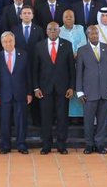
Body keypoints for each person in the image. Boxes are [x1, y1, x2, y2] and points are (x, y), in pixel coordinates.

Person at [32, 22, 75, 154]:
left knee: (62, 118)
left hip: (63, 89)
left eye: (55, 29)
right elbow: (35, 69)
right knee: (46, 118)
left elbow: (71, 69)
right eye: (50, 29)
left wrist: (71, 87)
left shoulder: (67, 45)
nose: (52, 31)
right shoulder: (39, 46)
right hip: (45, 89)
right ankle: (46, 145)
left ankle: (61, 145)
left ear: (59, 31)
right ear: (46, 31)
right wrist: (36, 88)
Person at [77, 24, 107, 154]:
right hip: (89, 92)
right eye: (91, 33)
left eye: (96, 33)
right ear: (87, 35)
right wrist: (79, 91)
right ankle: (89, 144)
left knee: (102, 120)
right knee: (88, 121)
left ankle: (100, 144)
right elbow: (79, 72)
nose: (94, 35)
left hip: (105, 92)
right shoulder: (82, 50)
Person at [0, 31, 31, 154]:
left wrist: (29, 93)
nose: (8, 44)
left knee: (21, 121)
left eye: (10, 41)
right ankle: (5, 146)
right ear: (1, 43)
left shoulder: (23, 55)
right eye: (5, 42)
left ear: (14, 42)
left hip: (21, 93)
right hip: (4, 95)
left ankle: (21, 145)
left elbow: (28, 75)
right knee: (5, 121)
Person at [59, 9, 86, 120]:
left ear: (74, 18)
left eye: (71, 16)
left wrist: (76, 52)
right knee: (69, 87)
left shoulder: (80, 28)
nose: (69, 18)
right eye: (66, 16)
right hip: (65, 64)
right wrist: (70, 54)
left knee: (79, 86)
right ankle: (70, 116)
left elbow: (83, 42)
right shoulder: (59, 30)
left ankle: (80, 116)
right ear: (63, 18)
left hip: (79, 62)